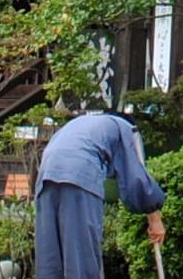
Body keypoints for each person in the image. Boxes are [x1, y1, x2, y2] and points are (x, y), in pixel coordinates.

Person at [35, 108, 167, 279]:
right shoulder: (123, 128)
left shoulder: (82, 124)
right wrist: (155, 219)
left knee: (51, 258)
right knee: (81, 255)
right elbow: (135, 176)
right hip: (80, 174)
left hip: (46, 175)